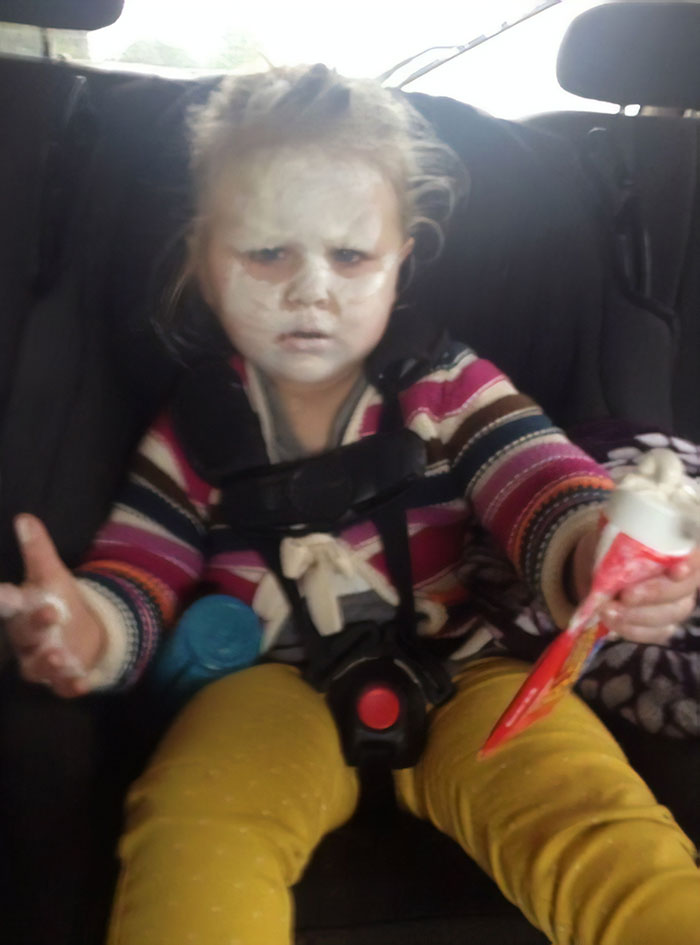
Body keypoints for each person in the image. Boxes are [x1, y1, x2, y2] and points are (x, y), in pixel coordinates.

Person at [0, 65, 699, 945]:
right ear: (204, 262)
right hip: (269, 682)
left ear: (400, 262)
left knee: (600, 827)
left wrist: (600, 549)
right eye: (266, 254)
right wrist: (88, 628)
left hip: (467, 669)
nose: (310, 289)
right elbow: (146, 569)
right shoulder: (196, 427)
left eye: (350, 256)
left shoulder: (446, 386)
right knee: (194, 829)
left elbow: (537, 479)